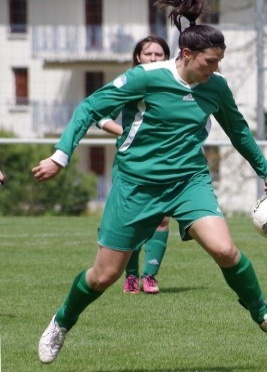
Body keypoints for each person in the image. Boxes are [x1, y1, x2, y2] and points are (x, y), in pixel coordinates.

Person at [33, 0, 267, 364]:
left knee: (225, 250)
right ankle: (61, 322)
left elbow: (238, 131)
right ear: (187, 54)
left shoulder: (216, 86)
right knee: (103, 276)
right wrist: (60, 155)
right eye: (210, 61)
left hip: (188, 180)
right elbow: (90, 107)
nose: (215, 69)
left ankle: (263, 315)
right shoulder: (147, 78)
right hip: (136, 184)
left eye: (219, 62)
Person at [97, 35, 172, 295]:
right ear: (138, 57)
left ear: (167, 57)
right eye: (148, 54)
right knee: (130, 219)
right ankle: (130, 277)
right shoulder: (131, 82)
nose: (153, 58)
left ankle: (150, 276)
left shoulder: (172, 83)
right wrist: (122, 131)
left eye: (158, 54)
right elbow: (100, 114)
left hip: (162, 163)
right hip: (129, 162)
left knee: (162, 219)